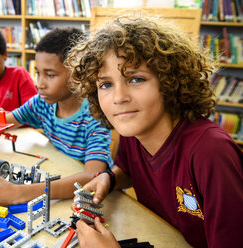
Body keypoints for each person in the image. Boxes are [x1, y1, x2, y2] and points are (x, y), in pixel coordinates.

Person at [67, 16, 243, 248]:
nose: (119, 98)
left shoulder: (211, 152)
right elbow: (131, 171)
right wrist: (108, 179)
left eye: (136, 79)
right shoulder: (133, 130)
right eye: (106, 84)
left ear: (170, 82)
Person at [0, 28, 113, 206]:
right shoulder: (42, 103)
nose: (40, 84)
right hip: (61, 177)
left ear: (79, 73)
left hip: (97, 198)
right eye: (38, 73)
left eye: (50, 75)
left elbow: (93, 177)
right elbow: (2, 123)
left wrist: (18, 193)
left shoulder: (95, 114)